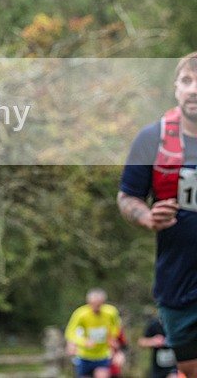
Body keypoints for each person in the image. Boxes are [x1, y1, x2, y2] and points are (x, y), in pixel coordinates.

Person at [117, 51, 197, 378]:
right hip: (178, 282)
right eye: (187, 81)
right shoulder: (152, 139)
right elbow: (127, 196)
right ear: (176, 87)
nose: (194, 89)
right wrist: (146, 217)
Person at [65, 288, 122, 378]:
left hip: (102, 355)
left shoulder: (111, 312)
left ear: (103, 302)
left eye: (99, 304)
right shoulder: (80, 314)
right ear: (88, 302)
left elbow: (116, 325)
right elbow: (70, 332)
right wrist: (83, 341)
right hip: (84, 356)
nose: (96, 307)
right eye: (93, 304)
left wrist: (113, 337)